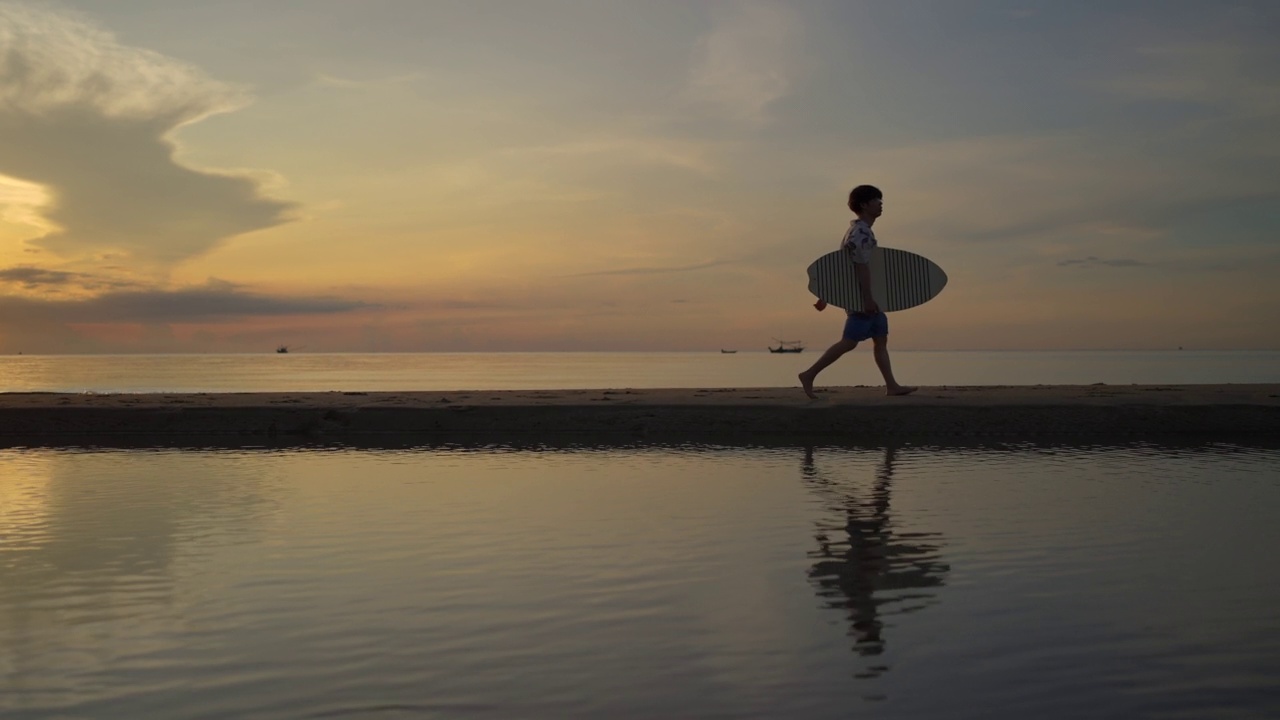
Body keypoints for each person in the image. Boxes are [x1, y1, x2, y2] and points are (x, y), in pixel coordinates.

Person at [799, 185, 916, 399]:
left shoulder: (860, 231)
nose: (881, 204)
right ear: (864, 204)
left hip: (870, 297)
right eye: (876, 200)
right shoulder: (860, 232)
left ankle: (891, 386)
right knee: (849, 341)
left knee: (880, 339)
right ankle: (809, 374)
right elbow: (859, 267)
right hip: (862, 299)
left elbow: (841, 267)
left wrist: (825, 295)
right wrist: (867, 299)